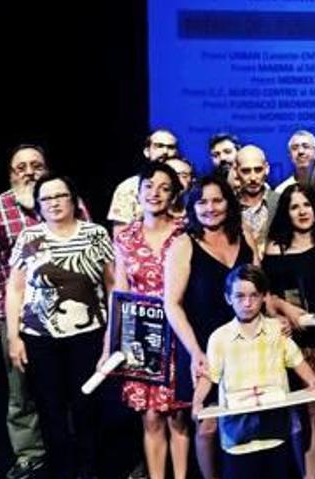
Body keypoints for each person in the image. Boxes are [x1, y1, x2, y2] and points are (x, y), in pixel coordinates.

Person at [6, 174, 115, 479]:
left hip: (88, 335)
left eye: (60, 196)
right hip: (40, 338)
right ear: (38, 205)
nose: (54, 203)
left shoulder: (95, 235)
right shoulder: (29, 238)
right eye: (46, 199)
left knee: (86, 406)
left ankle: (89, 469)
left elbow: (112, 285)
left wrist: (112, 333)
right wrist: (14, 337)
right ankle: (61, 470)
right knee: (50, 408)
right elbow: (14, 289)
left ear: (73, 199)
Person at [98, 162, 190, 479]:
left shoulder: (185, 230)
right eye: (149, 186)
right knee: (151, 416)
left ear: (175, 194)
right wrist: (109, 344)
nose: (155, 193)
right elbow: (119, 293)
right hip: (140, 336)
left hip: (178, 331)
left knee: (178, 414)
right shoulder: (125, 237)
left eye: (164, 187)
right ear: (138, 192)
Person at [164, 175, 255, 479]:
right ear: (192, 207)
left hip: (246, 346)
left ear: (229, 203)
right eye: (202, 201)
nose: (210, 208)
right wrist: (195, 352)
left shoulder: (246, 236)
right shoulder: (183, 244)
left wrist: (282, 317)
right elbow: (172, 304)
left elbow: (259, 293)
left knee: (247, 421)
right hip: (203, 348)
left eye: (217, 200)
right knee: (208, 426)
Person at [191, 265, 315, 478]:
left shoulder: (276, 330)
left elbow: (296, 360)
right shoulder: (219, 338)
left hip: (274, 433)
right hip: (238, 437)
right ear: (228, 298)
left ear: (263, 297)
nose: (247, 303)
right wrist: (197, 402)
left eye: (254, 296)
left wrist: (312, 381)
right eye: (239, 296)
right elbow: (209, 375)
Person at [0, 144, 50, 479]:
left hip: (70, 319)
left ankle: (71, 449)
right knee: (22, 392)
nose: (29, 172)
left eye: (37, 165)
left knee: (67, 389)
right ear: (11, 174)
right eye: (21, 167)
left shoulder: (65, 202)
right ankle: (30, 455)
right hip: (15, 316)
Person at [263, 184, 315, 479]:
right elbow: (266, 296)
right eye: (294, 207)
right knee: (303, 414)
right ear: (286, 212)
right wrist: (284, 311)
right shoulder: (274, 248)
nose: (302, 211)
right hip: (291, 341)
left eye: (307, 204)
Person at [108, 129, 178, 236]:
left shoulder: (187, 185)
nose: (165, 151)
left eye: (170, 147)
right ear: (147, 151)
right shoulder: (128, 187)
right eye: (159, 146)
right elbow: (120, 235)